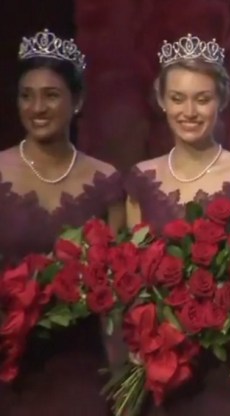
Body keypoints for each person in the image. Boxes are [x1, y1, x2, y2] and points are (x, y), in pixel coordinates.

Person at [124, 33, 230, 415]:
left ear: (221, 102)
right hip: (164, 372)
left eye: (202, 99)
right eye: (178, 98)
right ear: (161, 101)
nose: (189, 111)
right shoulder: (141, 177)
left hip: (227, 365)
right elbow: (134, 279)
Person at [0, 29, 125, 415]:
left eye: (51, 95)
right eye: (27, 95)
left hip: (81, 369)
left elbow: (118, 294)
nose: (37, 107)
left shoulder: (106, 181)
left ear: (78, 100)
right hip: (10, 366)